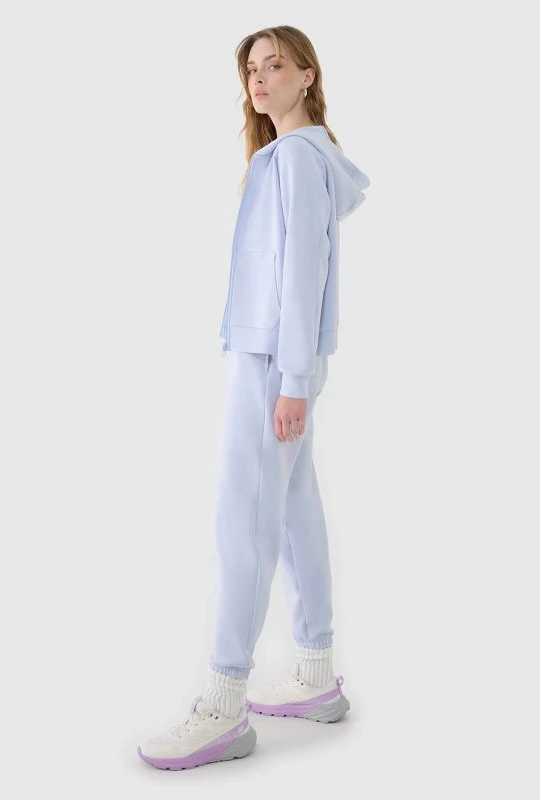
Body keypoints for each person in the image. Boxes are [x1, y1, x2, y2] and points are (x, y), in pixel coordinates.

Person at [137, 25, 370, 770]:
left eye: (274, 64)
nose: (259, 78)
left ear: (307, 76)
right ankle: (314, 673)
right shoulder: (293, 157)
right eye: (250, 68)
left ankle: (223, 704)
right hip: (275, 357)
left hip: (272, 361)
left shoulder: (295, 160)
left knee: (243, 519)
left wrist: (293, 381)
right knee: (294, 509)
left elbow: (303, 274)